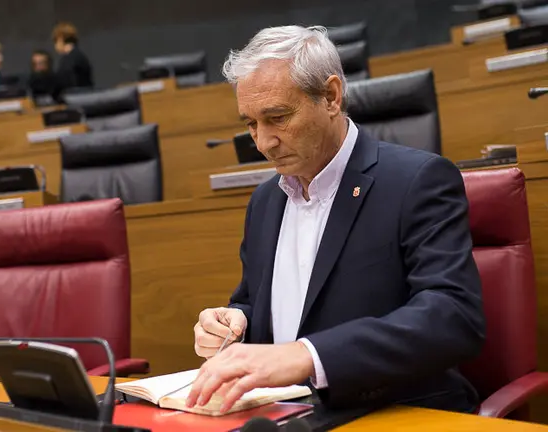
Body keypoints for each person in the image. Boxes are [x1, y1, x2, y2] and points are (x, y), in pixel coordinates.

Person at [188, 25, 485, 415]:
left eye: (277, 117)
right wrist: (232, 323)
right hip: (285, 415)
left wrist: (308, 356)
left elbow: (454, 317)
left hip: (391, 412)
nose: (262, 143)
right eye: (251, 124)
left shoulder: (417, 181)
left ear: (330, 96)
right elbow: (252, 302)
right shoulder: (265, 201)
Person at [52, 22, 94, 91]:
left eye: (55, 41)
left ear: (60, 38)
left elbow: (64, 82)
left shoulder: (68, 59)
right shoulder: (80, 56)